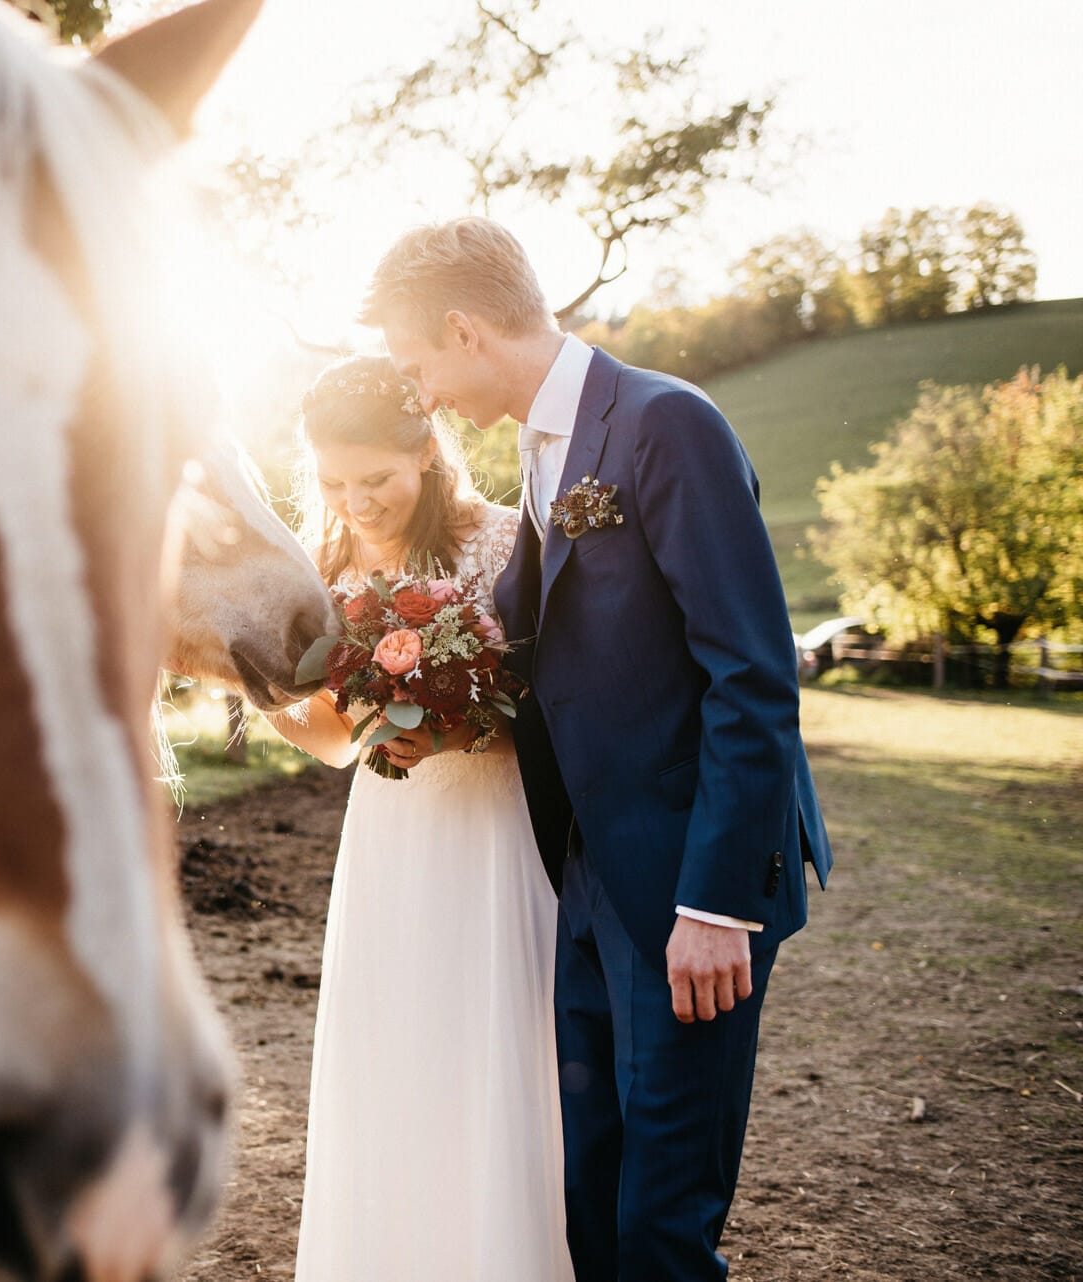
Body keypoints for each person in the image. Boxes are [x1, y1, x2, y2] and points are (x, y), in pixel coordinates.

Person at [362, 216, 833, 1281]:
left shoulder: (667, 426)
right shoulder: (540, 449)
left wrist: (717, 905)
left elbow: (752, 677)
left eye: (416, 364)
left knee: (662, 1219)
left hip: (685, 887)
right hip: (587, 881)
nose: (420, 392)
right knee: (591, 1199)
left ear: (463, 329)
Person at [269, 354, 575, 1281]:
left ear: (427, 456)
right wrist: (292, 695)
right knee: (393, 1054)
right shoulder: (321, 562)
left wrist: (453, 728)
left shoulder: (501, 543)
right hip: (392, 837)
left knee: (491, 1051)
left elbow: (561, 709)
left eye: (377, 480)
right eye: (332, 483)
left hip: (496, 830)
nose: (355, 502)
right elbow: (327, 741)